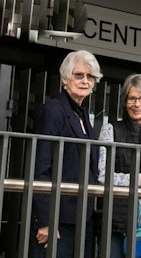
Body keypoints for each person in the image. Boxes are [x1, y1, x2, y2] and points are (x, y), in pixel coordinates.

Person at [31, 50, 102, 257]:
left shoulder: (83, 115)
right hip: (57, 219)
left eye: (90, 77)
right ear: (65, 78)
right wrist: (44, 221)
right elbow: (40, 167)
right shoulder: (53, 110)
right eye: (79, 75)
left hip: (82, 218)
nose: (85, 81)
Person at [97, 74, 141, 258]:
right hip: (116, 222)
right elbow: (103, 176)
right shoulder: (111, 130)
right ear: (125, 101)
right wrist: (139, 179)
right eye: (132, 98)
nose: (137, 104)